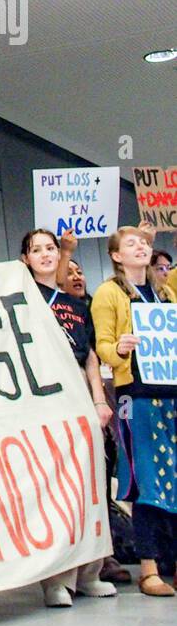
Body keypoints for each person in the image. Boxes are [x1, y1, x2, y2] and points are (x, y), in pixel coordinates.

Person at [19, 229, 116, 605]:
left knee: (91, 480)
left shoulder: (76, 303)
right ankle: (57, 580)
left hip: (78, 384)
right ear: (25, 259)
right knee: (57, 480)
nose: (45, 254)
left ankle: (90, 569)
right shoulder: (23, 295)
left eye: (50, 248)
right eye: (37, 250)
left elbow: (89, 354)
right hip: (45, 386)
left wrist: (97, 400)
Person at [92, 226, 177, 596]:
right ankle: (148, 567)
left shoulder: (165, 292)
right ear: (115, 255)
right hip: (135, 395)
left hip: (171, 394)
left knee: (174, 476)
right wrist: (121, 349)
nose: (141, 247)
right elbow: (103, 348)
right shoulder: (108, 294)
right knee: (146, 479)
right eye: (131, 244)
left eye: (144, 242)